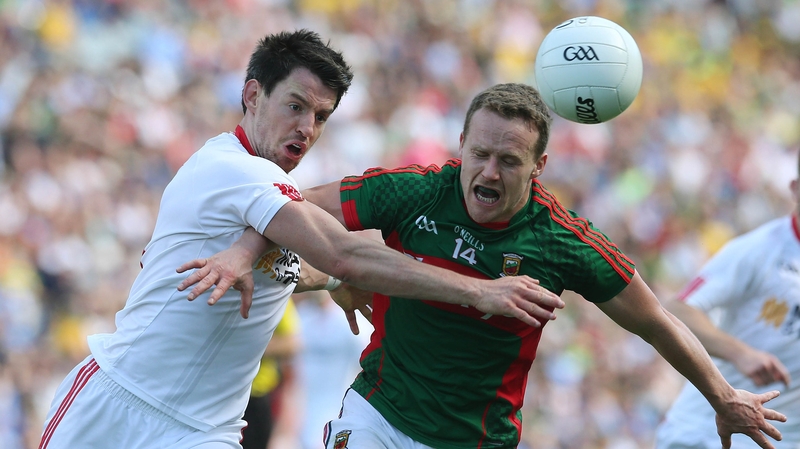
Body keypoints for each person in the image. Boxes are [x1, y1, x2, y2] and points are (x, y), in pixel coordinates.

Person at [37, 31, 564, 449]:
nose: (307, 128)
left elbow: (310, 263)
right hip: (120, 401)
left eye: (321, 116)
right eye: (295, 106)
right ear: (252, 95)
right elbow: (344, 251)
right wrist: (479, 291)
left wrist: (329, 278)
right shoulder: (230, 169)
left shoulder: (272, 190)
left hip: (204, 431)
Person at [189, 83, 789, 449]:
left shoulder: (564, 242)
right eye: (478, 154)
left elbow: (657, 320)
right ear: (461, 146)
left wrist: (722, 396)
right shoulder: (418, 191)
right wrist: (251, 254)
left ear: (539, 165)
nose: (488, 173)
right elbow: (288, 205)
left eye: (508, 160)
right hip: (378, 409)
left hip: (473, 439)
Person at [654, 155, 800, 448]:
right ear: (795, 189)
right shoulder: (759, 250)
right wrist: (740, 353)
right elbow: (677, 309)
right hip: (708, 434)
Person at [241, 299, 301, 449]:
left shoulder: (276, 291)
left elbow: (292, 344)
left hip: (255, 397)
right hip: (210, 395)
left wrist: (240, 347)